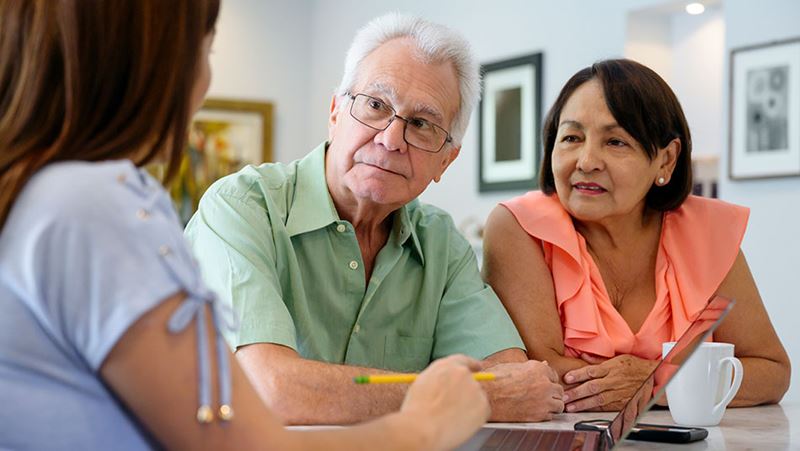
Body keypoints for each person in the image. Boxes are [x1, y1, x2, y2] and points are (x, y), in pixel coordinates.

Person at [0, 1, 492, 449]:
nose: (391, 139)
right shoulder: (93, 208)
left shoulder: (46, 195)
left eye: (421, 124)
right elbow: (244, 439)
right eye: (206, 48)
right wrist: (423, 422)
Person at [185, 12, 564, 424]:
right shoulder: (242, 207)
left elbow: (513, 380)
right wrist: (474, 396)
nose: (390, 139)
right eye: (376, 105)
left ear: (446, 160)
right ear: (335, 113)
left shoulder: (441, 243)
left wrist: (486, 392)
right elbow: (271, 389)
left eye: (421, 124)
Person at [483, 59, 791, 413]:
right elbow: (541, 373)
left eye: (615, 142)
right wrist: (680, 384)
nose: (586, 161)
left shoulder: (707, 233)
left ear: (666, 160)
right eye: (571, 138)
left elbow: (771, 371)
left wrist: (657, 379)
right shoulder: (520, 227)